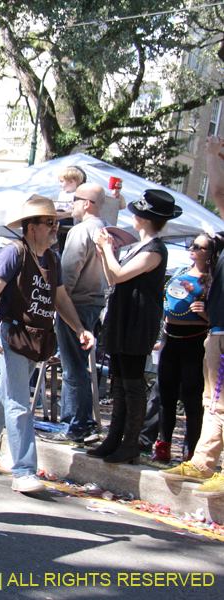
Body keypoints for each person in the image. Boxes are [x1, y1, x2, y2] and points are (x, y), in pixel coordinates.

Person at [0, 195, 95, 493]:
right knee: (19, 403)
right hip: (12, 335)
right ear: (31, 227)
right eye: (50, 222)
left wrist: (80, 328)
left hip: (38, 339)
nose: (55, 227)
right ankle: (24, 471)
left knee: (5, 397)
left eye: (56, 222)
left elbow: (60, 299)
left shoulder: (53, 260)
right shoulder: (12, 254)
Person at [87, 190, 179, 465]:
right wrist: (106, 252)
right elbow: (113, 278)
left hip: (138, 320)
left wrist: (106, 249)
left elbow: (118, 274)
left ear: (143, 218)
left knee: (132, 380)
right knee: (119, 379)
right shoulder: (140, 247)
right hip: (122, 316)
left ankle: (130, 443)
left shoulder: (155, 250)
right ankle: (115, 437)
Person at [161, 135, 224, 498]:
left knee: (219, 399)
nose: (197, 250)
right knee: (211, 400)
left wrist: (213, 155)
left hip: (220, 331)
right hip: (216, 331)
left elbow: (218, 191)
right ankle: (202, 462)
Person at [39, 183, 109, 444]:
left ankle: (75, 425)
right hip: (94, 304)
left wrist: (58, 303)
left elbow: (66, 276)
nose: (73, 205)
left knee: (73, 367)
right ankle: (84, 422)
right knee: (80, 365)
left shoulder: (82, 231)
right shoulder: (107, 231)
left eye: (76, 200)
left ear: (87, 203)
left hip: (75, 305)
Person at [149, 233, 222, 462]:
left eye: (199, 247)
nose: (192, 248)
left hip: (195, 339)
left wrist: (205, 313)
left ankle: (192, 450)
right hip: (170, 337)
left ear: (210, 254)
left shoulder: (214, 279)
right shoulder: (180, 272)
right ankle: (163, 446)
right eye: (191, 244)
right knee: (165, 395)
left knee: (192, 397)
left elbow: (218, 317)